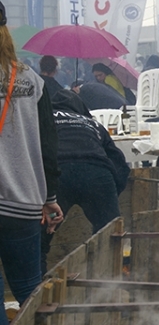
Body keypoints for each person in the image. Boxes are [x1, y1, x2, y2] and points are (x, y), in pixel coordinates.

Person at [0, 0, 63, 325]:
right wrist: (50, 195)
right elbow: (48, 144)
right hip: (25, 202)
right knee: (28, 290)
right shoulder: (31, 79)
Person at [40, 90, 128, 268]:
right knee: (110, 235)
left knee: (39, 239)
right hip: (98, 176)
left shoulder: (42, 120)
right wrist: (111, 194)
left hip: (59, 178)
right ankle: (109, 285)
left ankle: (36, 289)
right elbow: (120, 163)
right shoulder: (93, 123)